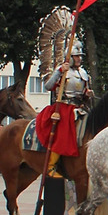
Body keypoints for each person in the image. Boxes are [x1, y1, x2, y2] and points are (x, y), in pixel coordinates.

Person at [35, 40, 92, 178]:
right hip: (63, 107)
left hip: (80, 107)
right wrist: (59, 72)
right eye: (76, 56)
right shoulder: (62, 70)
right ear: (70, 58)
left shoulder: (84, 73)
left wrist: (88, 94)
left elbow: (84, 92)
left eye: (80, 56)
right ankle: (51, 165)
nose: (79, 59)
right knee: (62, 131)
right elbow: (48, 86)